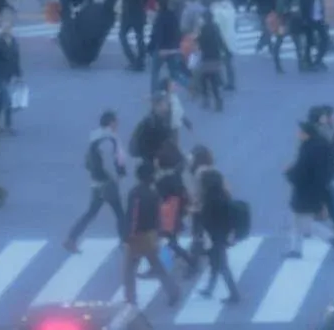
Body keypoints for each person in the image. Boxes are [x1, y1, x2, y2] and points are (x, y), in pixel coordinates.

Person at [286, 108, 334, 258]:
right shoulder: (320, 144)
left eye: (300, 132)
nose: (298, 134)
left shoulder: (307, 150)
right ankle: (295, 249)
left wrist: (289, 172)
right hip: (314, 189)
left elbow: (301, 173)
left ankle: (332, 239)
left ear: (306, 134)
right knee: (296, 220)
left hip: (305, 191)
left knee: (305, 222)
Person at [65, 110, 127, 250]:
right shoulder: (108, 139)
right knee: (119, 213)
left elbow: (88, 161)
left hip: (96, 181)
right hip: (107, 182)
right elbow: (109, 162)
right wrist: (115, 177)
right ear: (111, 123)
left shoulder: (95, 137)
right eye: (116, 121)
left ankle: (71, 238)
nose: (118, 124)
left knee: (91, 212)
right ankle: (124, 241)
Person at [123, 161, 181, 309]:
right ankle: (173, 291)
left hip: (137, 236)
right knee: (157, 265)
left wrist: (128, 235)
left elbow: (133, 216)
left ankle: (130, 299)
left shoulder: (135, 193)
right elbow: (158, 215)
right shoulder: (153, 193)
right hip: (151, 234)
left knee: (129, 269)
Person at [195, 164, 242, 305]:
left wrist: (198, 214)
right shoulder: (223, 196)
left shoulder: (210, 200)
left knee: (221, 265)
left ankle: (234, 294)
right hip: (221, 235)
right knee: (216, 264)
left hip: (214, 236)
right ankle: (210, 289)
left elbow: (206, 219)